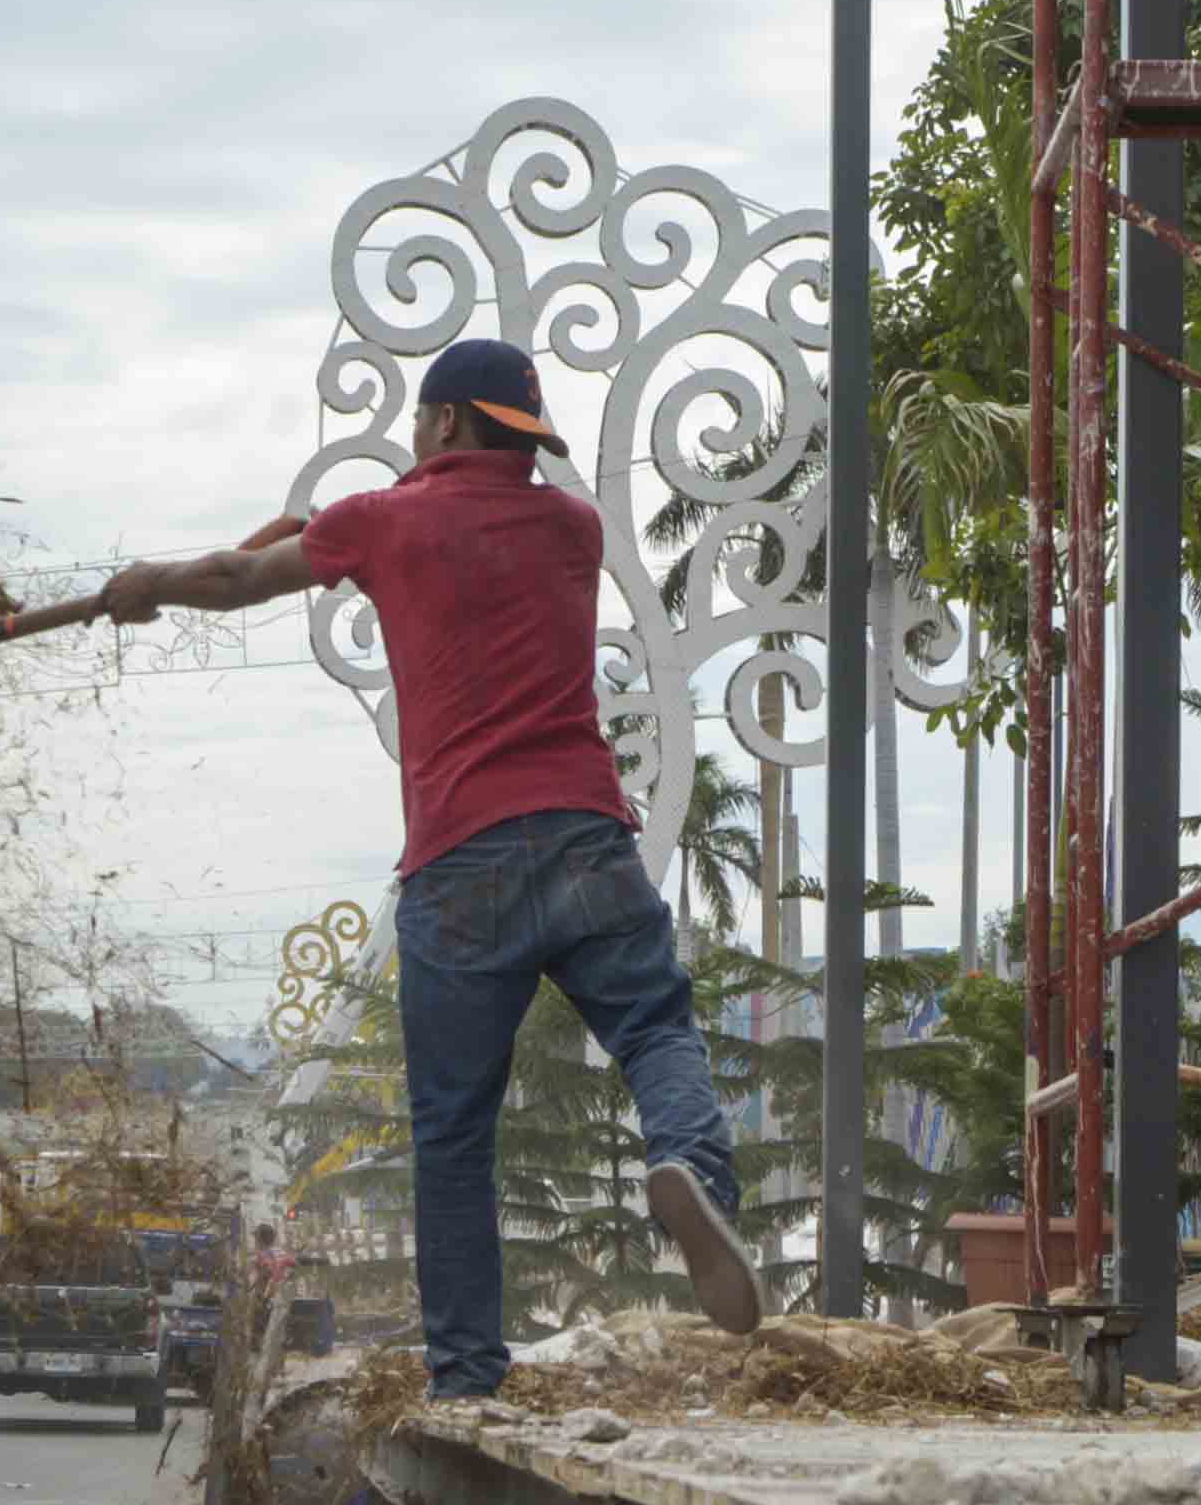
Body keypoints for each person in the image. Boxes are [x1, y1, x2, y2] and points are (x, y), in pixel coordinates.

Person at [61, 338, 760, 1393]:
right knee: (655, 1024)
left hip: (459, 860)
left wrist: (145, 582)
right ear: (519, 435)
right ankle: (692, 1165)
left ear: (437, 423)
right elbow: (465, 523)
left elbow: (238, 574)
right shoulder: (575, 527)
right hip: (582, 836)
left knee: (452, 1133)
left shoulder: (379, 521)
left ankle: (467, 1375)